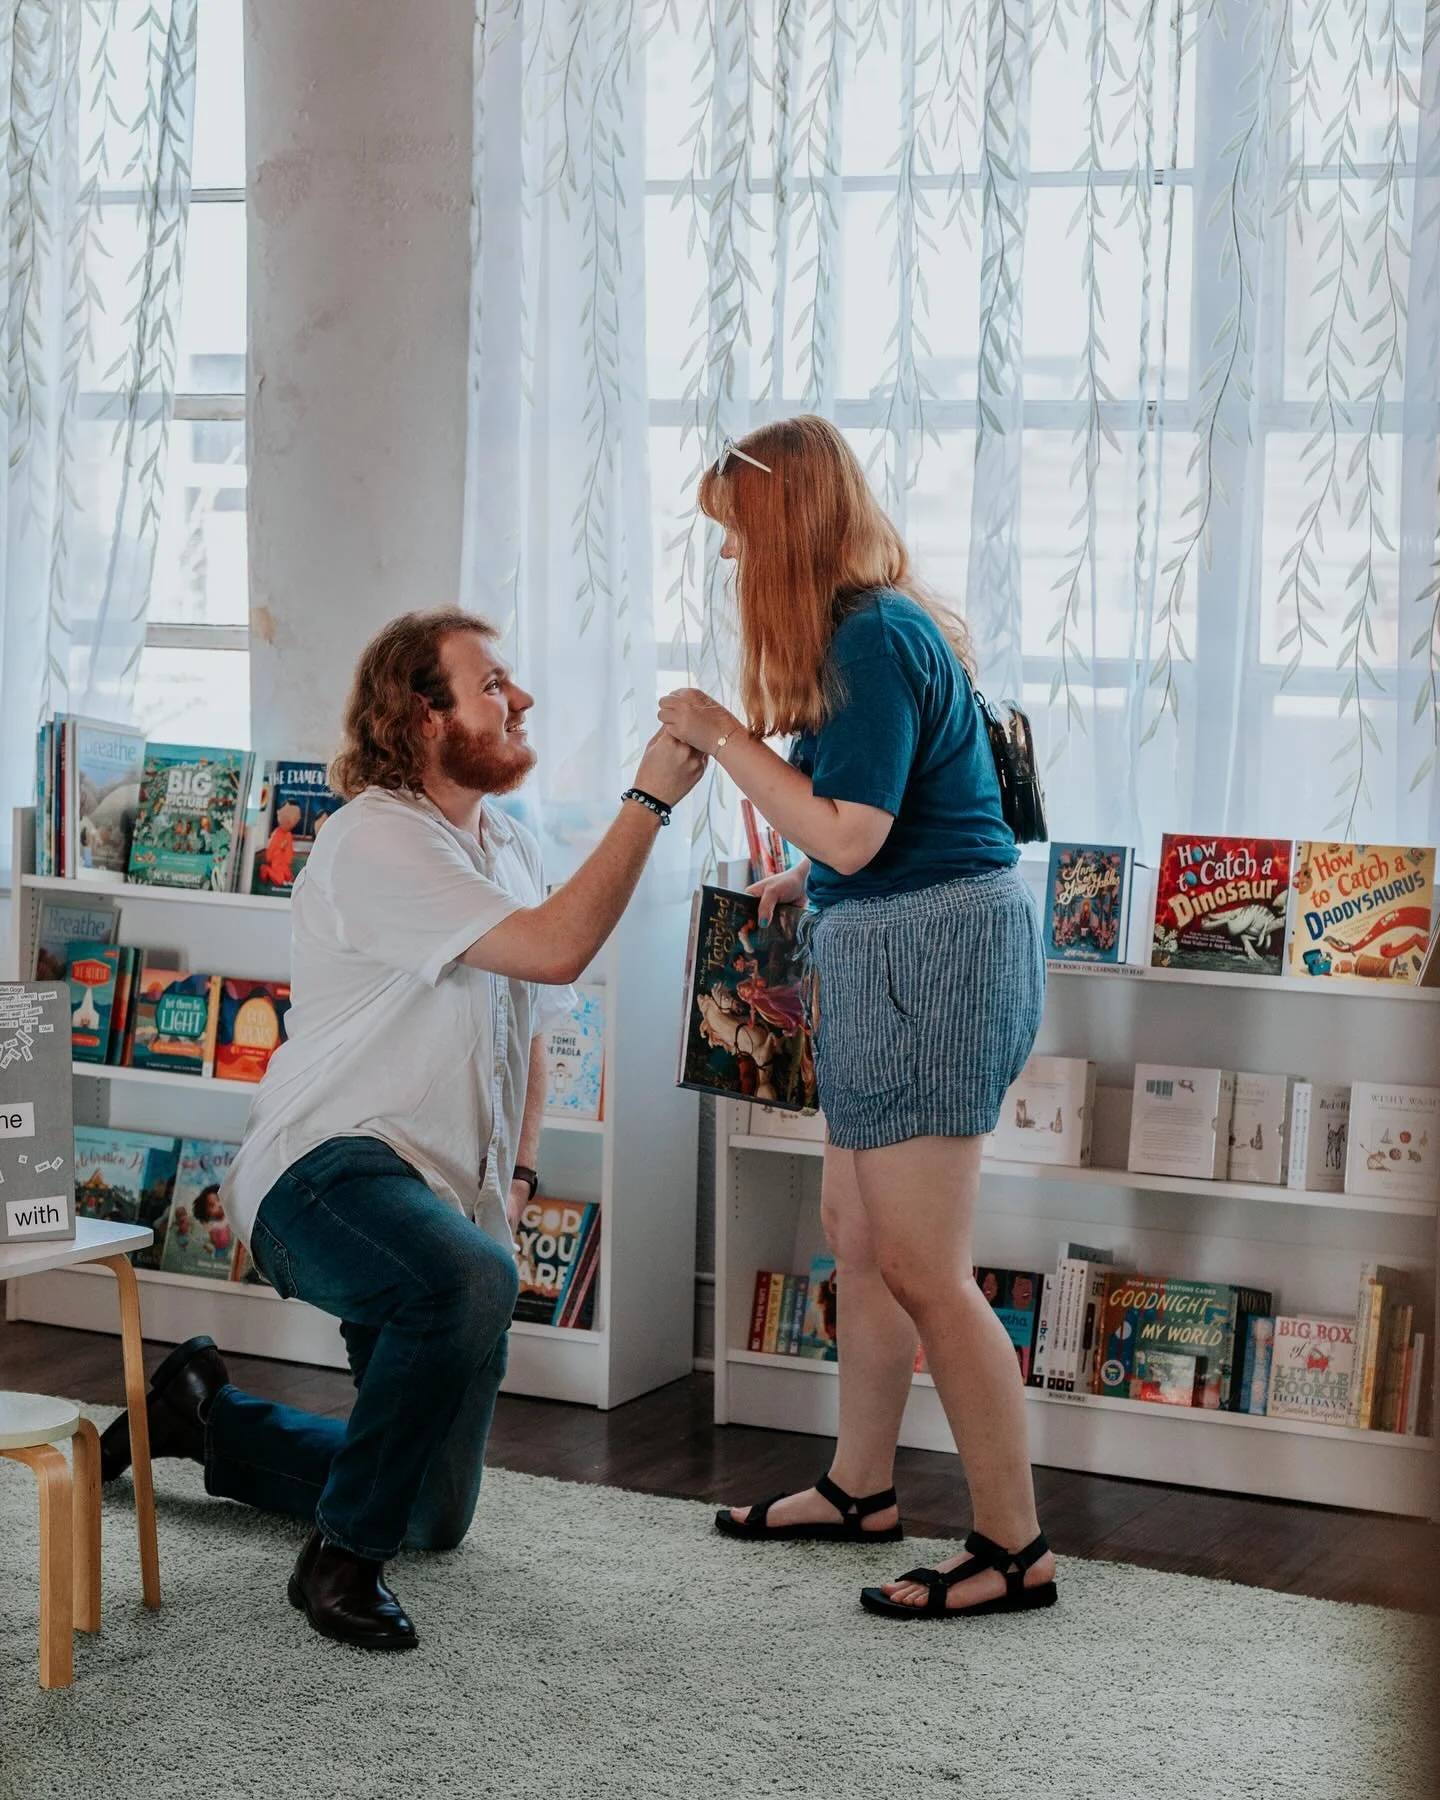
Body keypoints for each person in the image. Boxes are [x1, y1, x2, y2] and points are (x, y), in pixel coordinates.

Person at [99, 607, 705, 1651]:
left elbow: (528, 1035)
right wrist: (649, 797)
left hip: (437, 1201)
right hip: (319, 1174)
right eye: (493, 685)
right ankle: (338, 1563)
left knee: (433, 1512)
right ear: (425, 718)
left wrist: (510, 1190)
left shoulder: (504, 845)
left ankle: (198, 1416)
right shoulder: (376, 834)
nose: (519, 699)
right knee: (464, 1286)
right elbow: (560, 948)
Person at [658, 417, 1054, 1620]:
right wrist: (809, 883)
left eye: (738, 541)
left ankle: (1013, 1548)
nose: (731, 565)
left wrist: (722, 739)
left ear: (785, 532)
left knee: (927, 1266)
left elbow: (852, 830)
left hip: (931, 961)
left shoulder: (875, 638)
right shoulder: (862, 631)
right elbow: (863, 829)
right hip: (897, 940)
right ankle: (859, 1488)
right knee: (858, 1232)